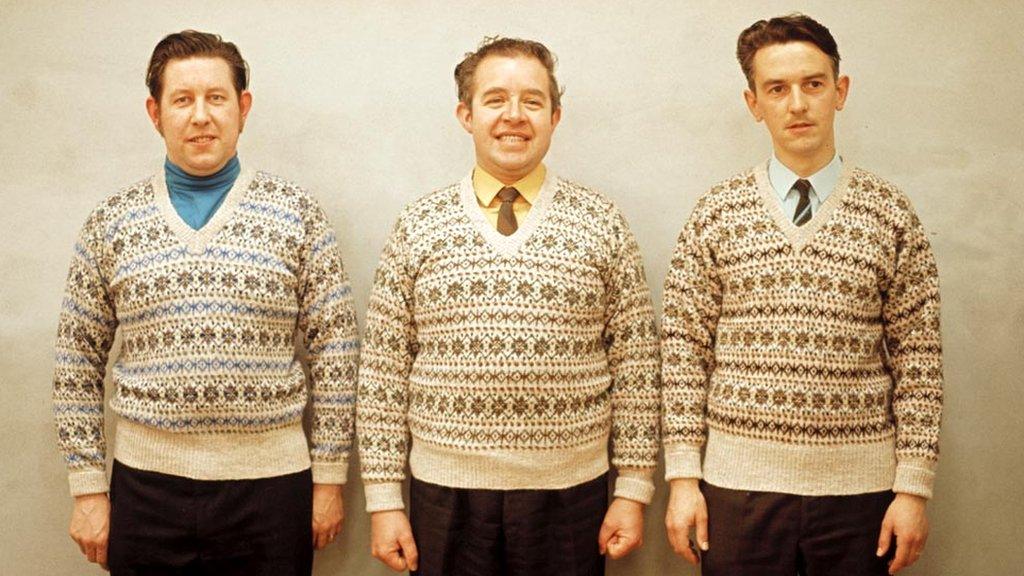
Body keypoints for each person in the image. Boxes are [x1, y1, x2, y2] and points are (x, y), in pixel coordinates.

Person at [52, 29, 358, 575]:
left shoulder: (297, 215)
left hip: (272, 493)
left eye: (216, 98)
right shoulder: (111, 223)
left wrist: (329, 480)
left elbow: (337, 353)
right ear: (155, 111)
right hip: (145, 493)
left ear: (242, 107)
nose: (200, 116)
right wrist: (88, 489)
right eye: (182, 99)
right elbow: (76, 362)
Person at [356, 36, 661, 576]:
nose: (513, 116)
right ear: (466, 115)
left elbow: (637, 368)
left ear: (555, 115)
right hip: (446, 495)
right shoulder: (418, 225)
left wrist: (633, 489)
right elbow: (383, 371)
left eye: (532, 101)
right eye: (495, 99)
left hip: (569, 496)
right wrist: (383, 501)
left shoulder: (602, 222)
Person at [661, 13, 943, 576]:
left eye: (813, 84)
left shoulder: (890, 214)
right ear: (753, 102)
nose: (797, 104)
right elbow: (682, 353)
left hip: (861, 494)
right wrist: (683, 480)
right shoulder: (716, 213)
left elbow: (920, 360)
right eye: (777, 89)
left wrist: (913, 490)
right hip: (736, 493)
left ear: (839, 92)